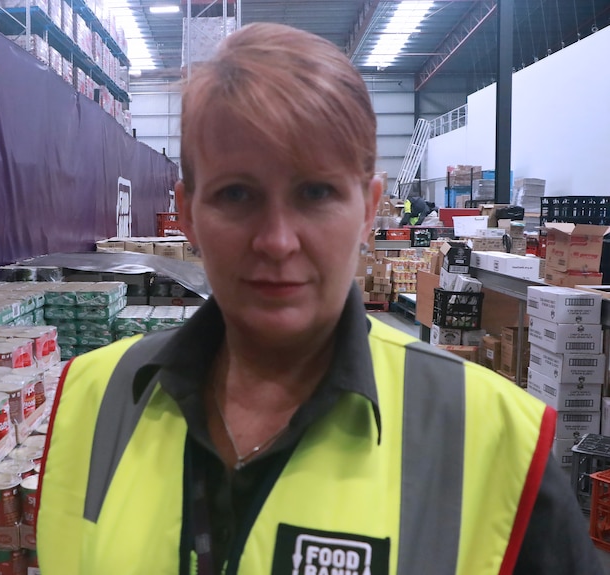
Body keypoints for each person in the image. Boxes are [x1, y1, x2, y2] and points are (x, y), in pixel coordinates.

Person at [35, 22, 602, 574]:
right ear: (185, 212)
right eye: (236, 194)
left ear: (368, 208)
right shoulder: (93, 400)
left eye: (316, 192)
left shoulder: (497, 445)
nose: (277, 240)